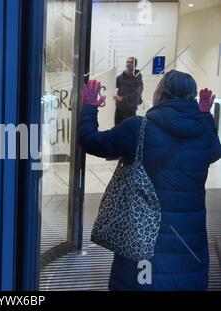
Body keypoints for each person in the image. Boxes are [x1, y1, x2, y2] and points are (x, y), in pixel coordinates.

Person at [79, 71, 221, 291]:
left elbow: (91, 142)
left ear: (160, 94)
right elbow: (214, 152)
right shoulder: (204, 132)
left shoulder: (138, 128)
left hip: (143, 240)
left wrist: (89, 108)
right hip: (190, 247)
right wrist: (205, 114)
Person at [114, 57, 144, 125]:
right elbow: (113, 83)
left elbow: (136, 94)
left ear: (135, 65)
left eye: (131, 62)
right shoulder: (122, 76)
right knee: (117, 129)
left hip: (130, 109)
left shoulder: (137, 77)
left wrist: (122, 98)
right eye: (127, 62)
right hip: (119, 108)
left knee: (129, 129)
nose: (128, 64)